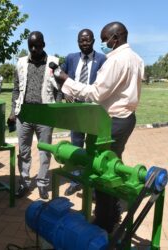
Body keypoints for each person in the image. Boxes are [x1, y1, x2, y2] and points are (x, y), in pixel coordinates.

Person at [53, 21, 144, 234]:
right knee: (113, 164)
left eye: (105, 39)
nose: (104, 44)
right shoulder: (137, 59)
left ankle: (105, 220)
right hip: (127, 119)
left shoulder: (115, 60)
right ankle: (112, 210)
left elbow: (95, 93)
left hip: (110, 121)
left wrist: (67, 81)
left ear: (116, 38)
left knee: (101, 171)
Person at [8, 31, 60, 200]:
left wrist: (57, 110)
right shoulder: (21, 62)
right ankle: (24, 183)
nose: (33, 49)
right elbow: (16, 88)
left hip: (45, 115)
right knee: (23, 152)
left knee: (45, 152)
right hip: (24, 115)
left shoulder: (54, 62)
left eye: (37, 45)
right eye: (30, 45)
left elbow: (59, 89)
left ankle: (43, 184)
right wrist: (12, 112)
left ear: (43, 45)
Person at [61, 28, 106, 196]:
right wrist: (65, 92)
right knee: (76, 145)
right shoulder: (71, 58)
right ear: (77, 42)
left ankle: (93, 183)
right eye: (81, 40)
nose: (84, 43)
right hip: (76, 110)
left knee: (93, 147)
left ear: (93, 41)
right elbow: (59, 75)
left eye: (87, 40)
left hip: (95, 110)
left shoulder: (102, 59)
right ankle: (75, 180)